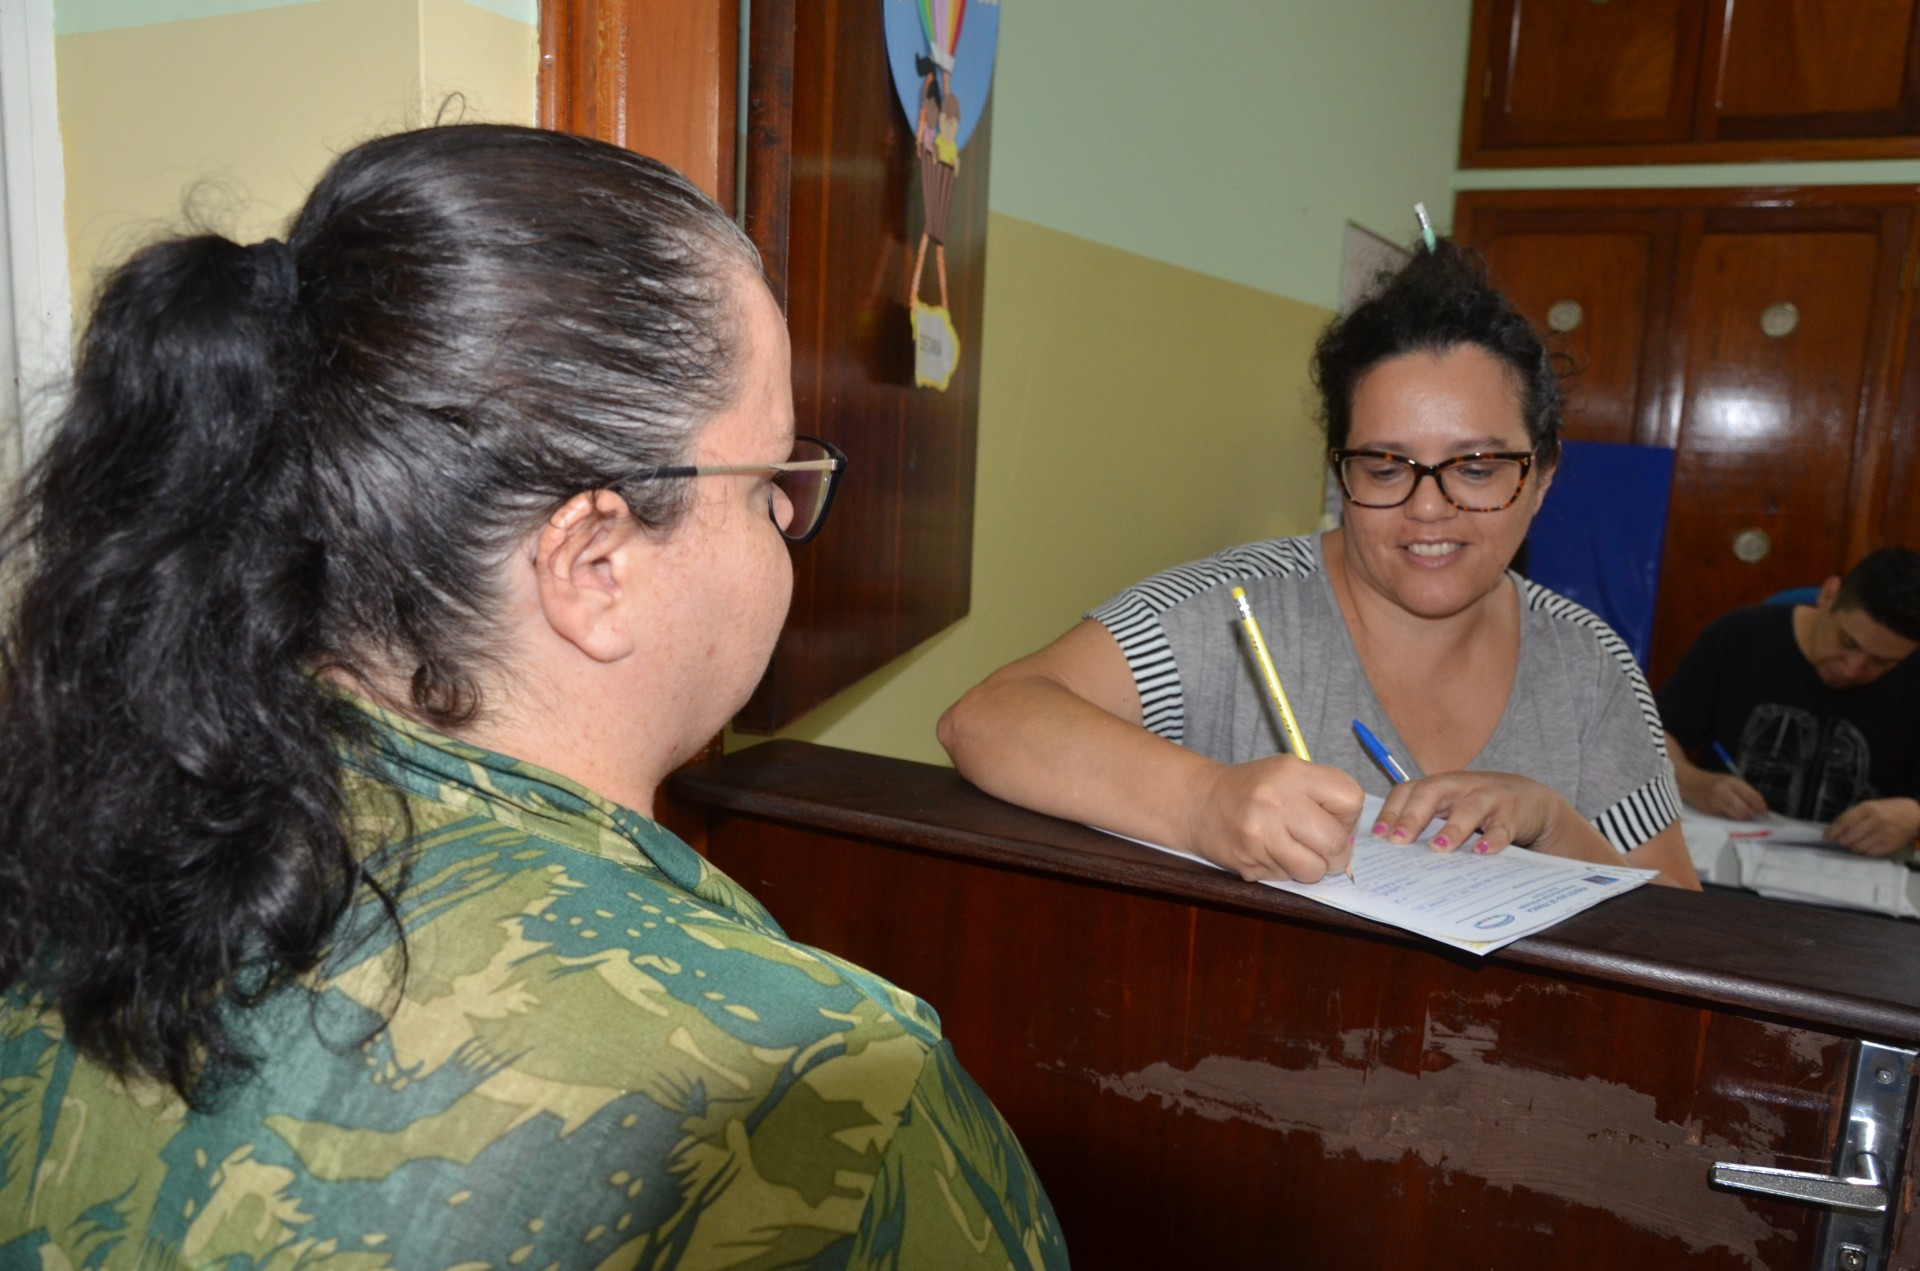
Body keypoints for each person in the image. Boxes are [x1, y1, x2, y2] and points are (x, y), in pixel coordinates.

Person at [0, 125, 1066, 1268]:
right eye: (770, 479)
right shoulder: (830, 1084)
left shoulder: (73, 836)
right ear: (596, 562)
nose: (790, 524)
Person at [938, 241, 1699, 889]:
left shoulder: (1588, 665)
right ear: (1340, 473)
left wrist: (1552, 826)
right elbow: (989, 718)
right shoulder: (1233, 613)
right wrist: (1204, 802)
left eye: (1475, 466)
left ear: (1540, 477)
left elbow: (1685, 936)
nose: (1428, 507)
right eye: (1385, 466)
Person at [1659, 548, 1920, 857]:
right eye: (1847, 643)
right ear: (1829, 596)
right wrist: (1693, 781)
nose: (1852, 669)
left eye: (1881, 662)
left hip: (1857, 870)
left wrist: (1913, 815)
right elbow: (1656, 735)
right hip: (1729, 849)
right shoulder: (1738, 637)